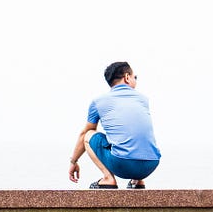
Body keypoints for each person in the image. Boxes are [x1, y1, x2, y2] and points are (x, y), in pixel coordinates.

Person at [68, 61, 161, 189]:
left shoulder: (98, 102)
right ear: (127, 77)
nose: (136, 80)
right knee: (134, 135)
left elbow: (84, 134)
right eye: (135, 77)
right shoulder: (143, 99)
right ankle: (137, 181)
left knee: (88, 135)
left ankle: (108, 178)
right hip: (152, 164)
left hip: (122, 164)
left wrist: (73, 161)